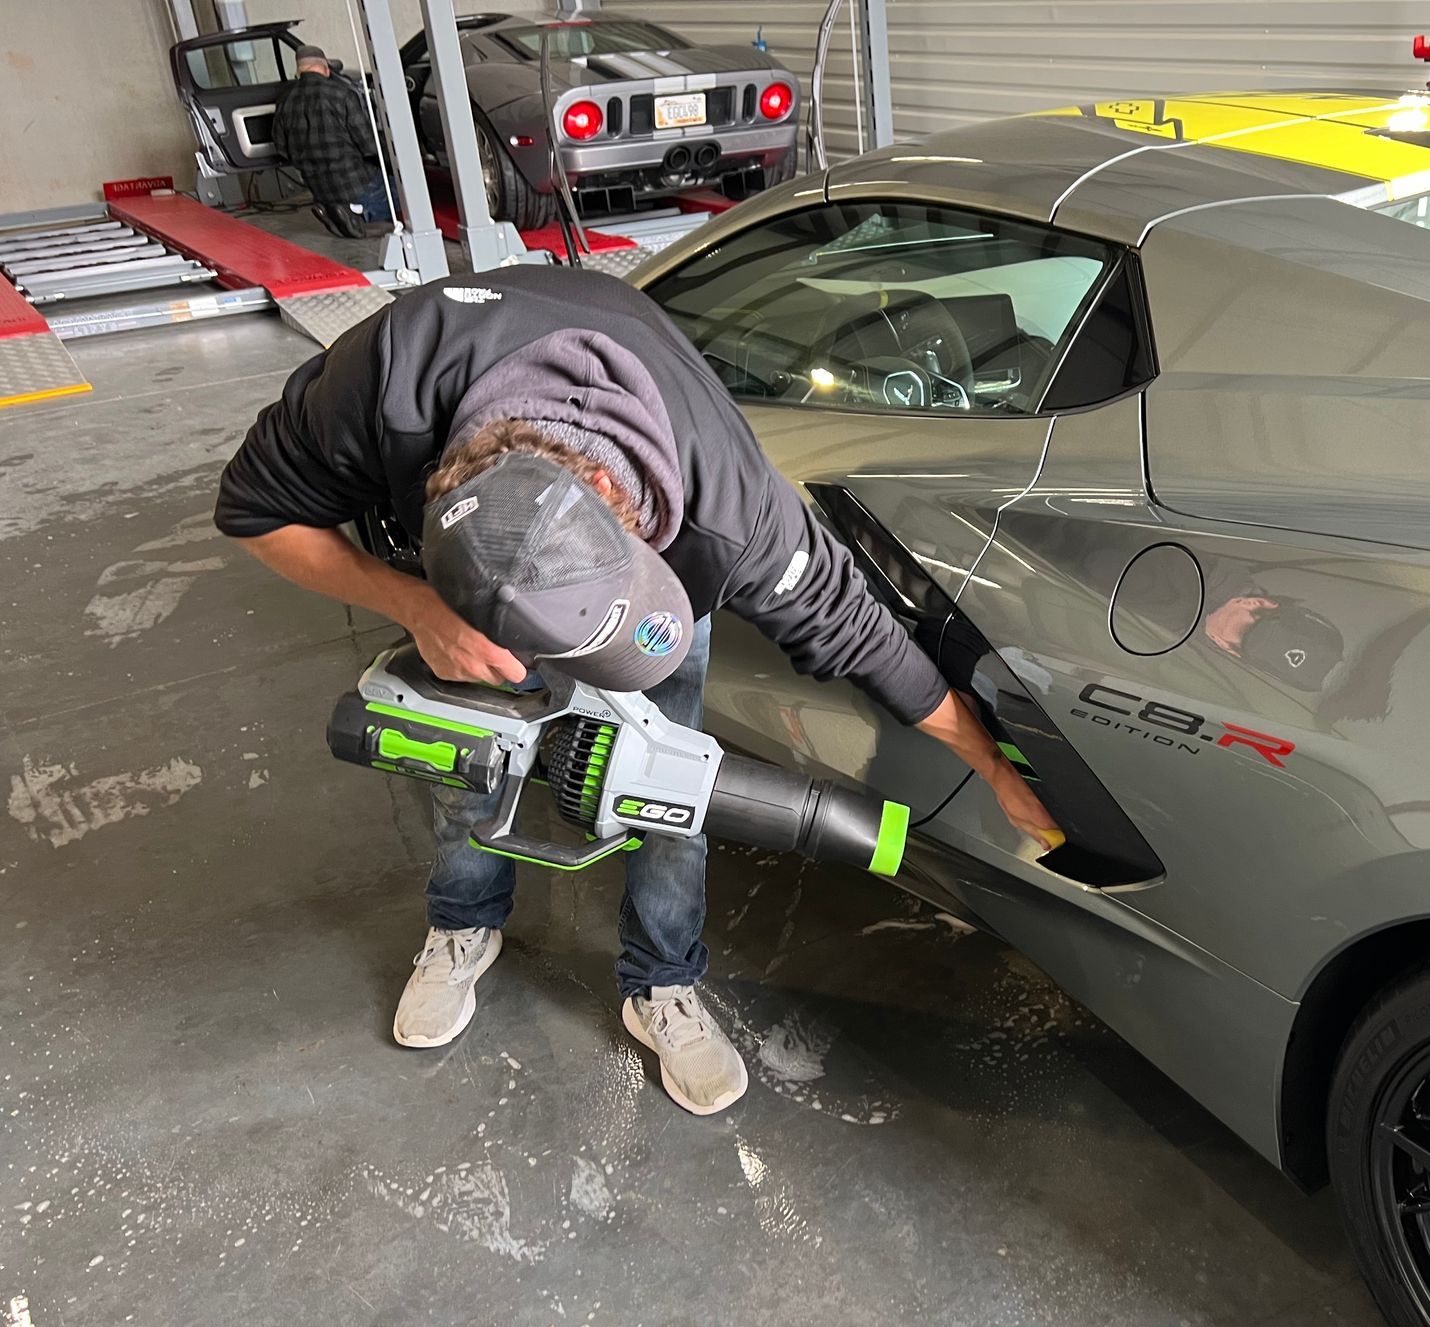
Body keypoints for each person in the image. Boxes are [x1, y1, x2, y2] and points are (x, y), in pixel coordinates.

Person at [216, 267, 1061, 1117]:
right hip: (459, 595)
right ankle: (462, 921)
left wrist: (989, 763)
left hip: (635, 573)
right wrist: (416, 604)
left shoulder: (730, 510)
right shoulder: (385, 380)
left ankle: (661, 979)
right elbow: (252, 510)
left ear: (635, 514)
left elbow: (856, 628)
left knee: (669, 783)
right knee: (470, 756)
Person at [273, 43, 392, 240]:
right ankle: (358, 215)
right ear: (326, 69)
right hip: (355, 184)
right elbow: (370, 146)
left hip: (318, 187)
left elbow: (282, 149)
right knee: (399, 191)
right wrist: (392, 164)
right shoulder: (342, 94)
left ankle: (334, 212)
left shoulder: (285, 100)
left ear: (298, 71)